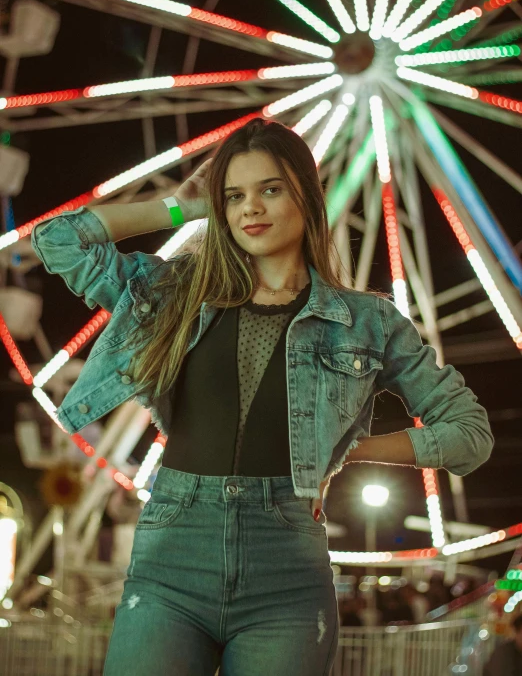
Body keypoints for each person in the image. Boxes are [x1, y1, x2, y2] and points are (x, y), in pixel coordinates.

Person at [31, 118, 494, 675]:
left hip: (287, 571)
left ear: (306, 193)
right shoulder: (175, 294)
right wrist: (178, 209)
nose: (250, 208)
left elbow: (469, 434)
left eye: (269, 189)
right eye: (234, 196)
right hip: (173, 551)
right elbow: (56, 238)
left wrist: (348, 449)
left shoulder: (367, 322)